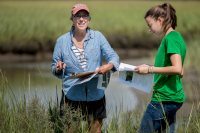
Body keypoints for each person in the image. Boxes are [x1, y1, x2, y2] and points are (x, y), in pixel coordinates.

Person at [51, 3, 119, 133]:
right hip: (71, 94)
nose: (81, 19)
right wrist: (59, 67)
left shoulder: (98, 37)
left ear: (89, 18)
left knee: (95, 131)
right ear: (72, 18)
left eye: (84, 15)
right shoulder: (61, 41)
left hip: (96, 94)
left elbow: (113, 57)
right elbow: (54, 68)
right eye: (78, 16)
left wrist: (109, 66)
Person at [135, 3, 187, 133]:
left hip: (164, 99)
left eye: (150, 25)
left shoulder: (171, 39)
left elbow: (176, 68)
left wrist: (149, 69)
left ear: (160, 20)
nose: (149, 29)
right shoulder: (176, 37)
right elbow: (180, 70)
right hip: (170, 98)